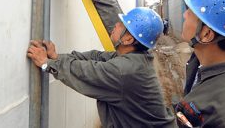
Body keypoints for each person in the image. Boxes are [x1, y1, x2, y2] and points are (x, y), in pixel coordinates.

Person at [27, 7, 176, 127]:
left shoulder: (124, 70)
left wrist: (47, 63)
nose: (116, 25)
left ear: (128, 39)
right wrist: (57, 57)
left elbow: (87, 72)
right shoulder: (135, 59)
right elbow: (96, 57)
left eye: (121, 25)